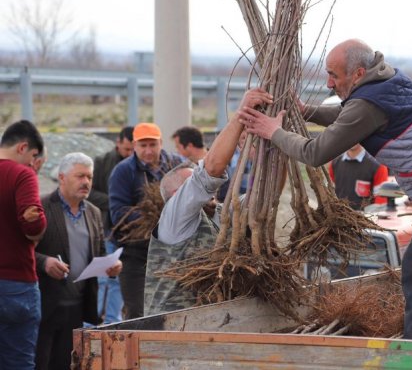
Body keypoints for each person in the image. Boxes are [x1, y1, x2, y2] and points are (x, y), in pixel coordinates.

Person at [239, 39, 412, 345]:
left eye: (334, 75)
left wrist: (273, 131)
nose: (329, 83)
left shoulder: (368, 103)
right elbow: (349, 118)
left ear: (358, 74)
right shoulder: (385, 80)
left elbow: (315, 152)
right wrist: (306, 112)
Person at [144, 89, 273, 316]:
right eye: (191, 188)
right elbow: (209, 172)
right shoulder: (175, 220)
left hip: (213, 328)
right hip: (170, 333)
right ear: (177, 197)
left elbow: (264, 196)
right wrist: (241, 115)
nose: (207, 193)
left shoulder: (220, 216)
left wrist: (267, 150)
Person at [34, 152, 122, 370]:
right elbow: (20, 251)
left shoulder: (92, 212)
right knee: (39, 363)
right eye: (80, 176)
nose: (86, 182)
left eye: (89, 177)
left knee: (67, 363)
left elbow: (100, 252)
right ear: (62, 178)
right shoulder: (42, 207)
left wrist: (112, 267)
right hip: (45, 304)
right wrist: (44, 262)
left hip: (78, 306)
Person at [108, 122, 183, 319]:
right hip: (136, 253)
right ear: (134, 146)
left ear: (161, 143)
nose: (148, 151)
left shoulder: (177, 165)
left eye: (152, 145)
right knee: (138, 313)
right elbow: (118, 213)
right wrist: (156, 218)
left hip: (173, 252)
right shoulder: (123, 171)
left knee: (174, 309)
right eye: (143, 146)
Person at [0, 120, 48, 370]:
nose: (33, 165)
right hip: (15, 286)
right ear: (23, 147)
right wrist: (37, 221)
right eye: (33, 157)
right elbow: (33, 227)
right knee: (18, 363)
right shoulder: (22, 174)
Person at [87, 125, 133, 324]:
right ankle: (92, 319)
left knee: (119, 280)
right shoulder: (102, 162)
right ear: (118, 144)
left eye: (133, 150)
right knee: (103, 277)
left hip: (131, 233)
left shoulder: (138, 165)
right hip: (107, 229)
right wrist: (117, 202)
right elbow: (90, 193)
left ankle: (112, 320)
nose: (130, 154)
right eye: (127, 150)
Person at [328, 143, 388, 210]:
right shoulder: (334, 163)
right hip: (339, 214)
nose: (352, 139)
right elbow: (331, 190)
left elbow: (381, 200)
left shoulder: (378, 166)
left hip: (366, 217)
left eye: (355, 135)